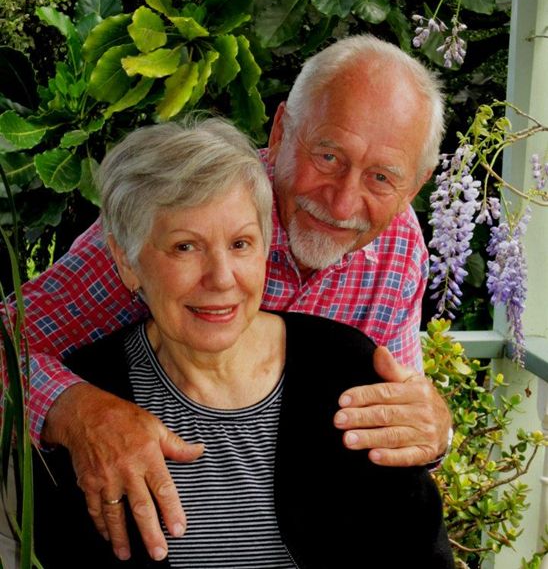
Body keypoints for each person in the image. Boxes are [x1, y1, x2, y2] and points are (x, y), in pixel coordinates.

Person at [2, 35, 453, 561]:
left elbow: (394, 414)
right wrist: (77, 409)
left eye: (381, 177)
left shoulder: (398, 246)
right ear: (282, 130)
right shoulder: (180, 203)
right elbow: (8, 344)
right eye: (328, 156)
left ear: (416, 184)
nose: (344, 199)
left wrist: (430, 430)